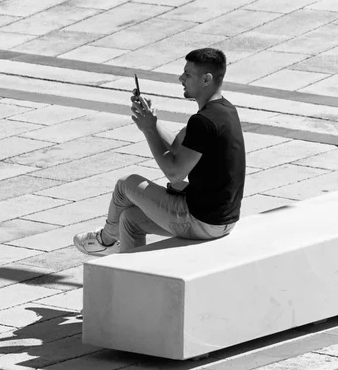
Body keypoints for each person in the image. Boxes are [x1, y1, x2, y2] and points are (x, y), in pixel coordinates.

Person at [74, 48, 245, 255]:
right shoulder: (225, 110)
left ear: (206, 79)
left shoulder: (203, 122)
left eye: (188, 74)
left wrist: (148, 131)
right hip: (223, 220)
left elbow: (174, 172)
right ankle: (130, 274)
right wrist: (152, 122)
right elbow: (176, 145)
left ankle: (105, 240)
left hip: (202, 221)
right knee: (129, 219)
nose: (181, 78)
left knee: (126, 185)